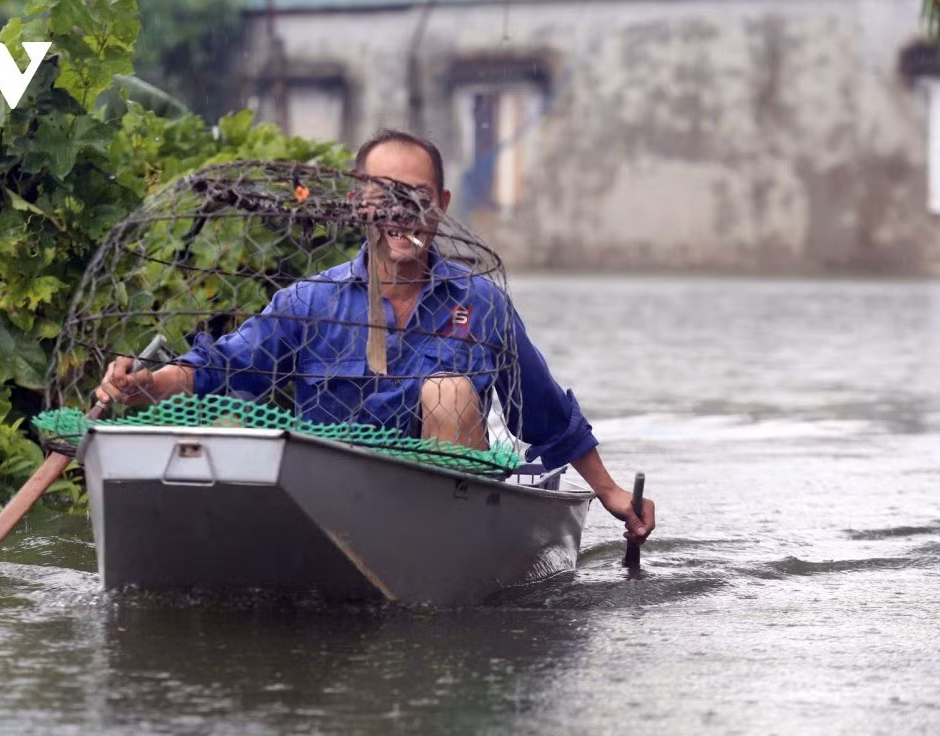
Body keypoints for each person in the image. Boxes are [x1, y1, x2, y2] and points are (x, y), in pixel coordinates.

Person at [96, 129, 655, 546]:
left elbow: (546, 413)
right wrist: (145, 384)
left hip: (442, 521)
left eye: (416, 194)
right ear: (360, 202)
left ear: (442, 204)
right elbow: (223, 367)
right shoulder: (311, 302)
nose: (399, 211)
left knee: (449, 393)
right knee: (232, 431)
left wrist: (609, 492)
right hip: (334, 511)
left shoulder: (481, 305)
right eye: (383, 194)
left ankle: (443, 578)